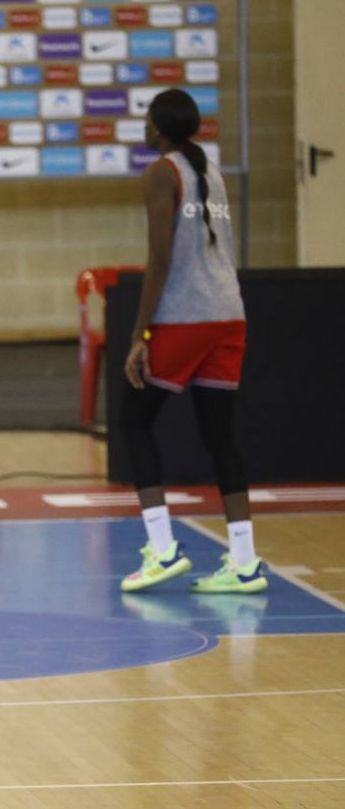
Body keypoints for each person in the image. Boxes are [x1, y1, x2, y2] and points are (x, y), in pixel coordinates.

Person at [119, 88, 268, 595]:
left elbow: (160, 261)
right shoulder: (211, 171)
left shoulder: (162, 172)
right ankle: (244, 562)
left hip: (186, 316)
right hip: (230, 313)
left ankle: (162, 550)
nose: (144, 127)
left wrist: (141, 333)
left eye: (146, 120)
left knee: (133, 422)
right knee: (220, 437)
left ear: (158, 128)